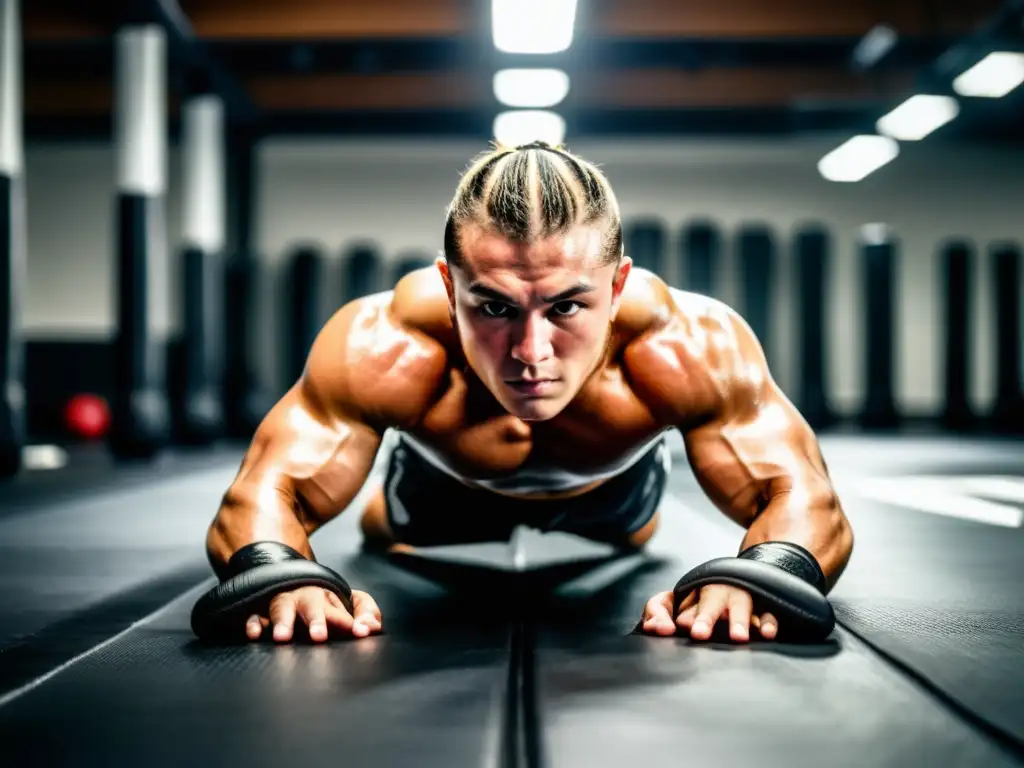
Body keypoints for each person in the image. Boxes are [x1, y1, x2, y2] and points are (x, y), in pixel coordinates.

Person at [204, 141, 854, 646]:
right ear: (449, 283)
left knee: (635, 530)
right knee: (381, 529)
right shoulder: (388, 343)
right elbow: (262, 492)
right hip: (444, 487)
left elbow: (807, 499)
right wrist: (278, 573)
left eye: (568, 305)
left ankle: (621, 515)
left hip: (614, 491)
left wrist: (769, 574)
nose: (529, 352)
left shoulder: (686, 345)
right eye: (492, 307)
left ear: (619, 284)